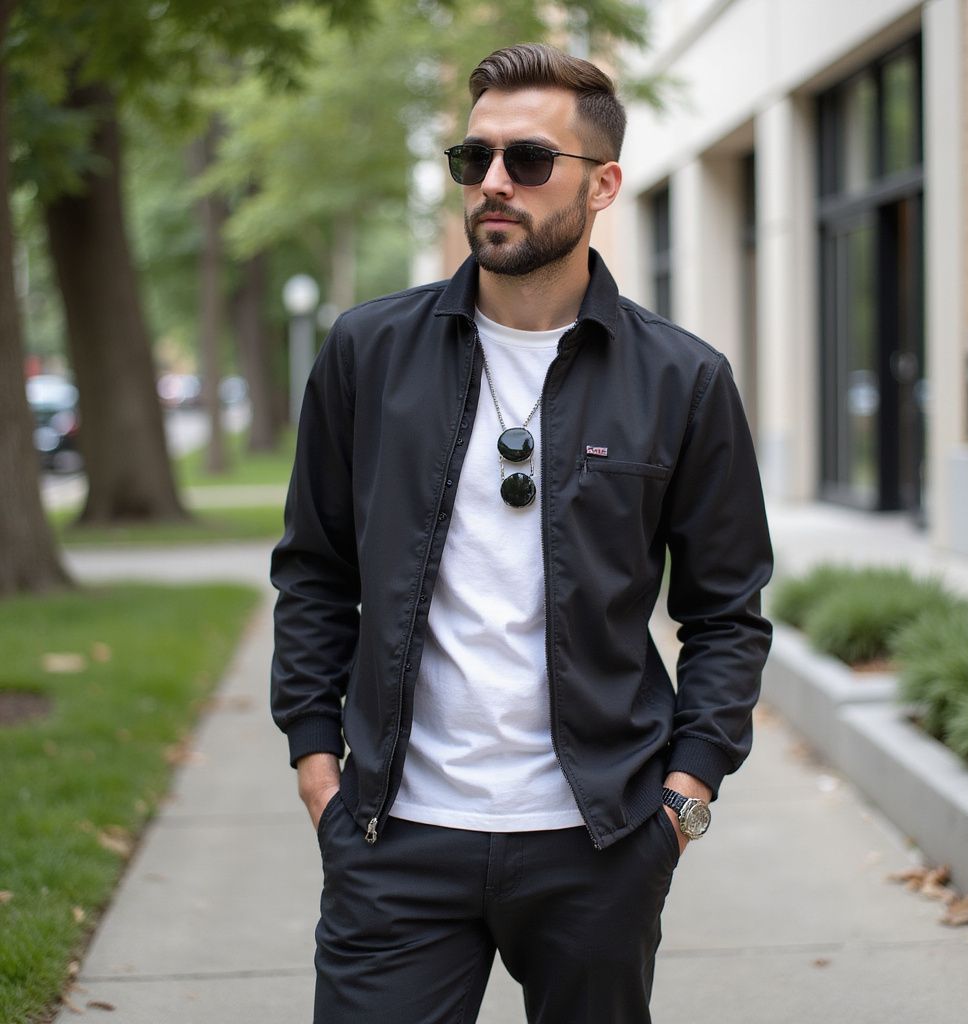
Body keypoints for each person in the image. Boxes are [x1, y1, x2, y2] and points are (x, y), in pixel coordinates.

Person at [271, 42, 773, 1024]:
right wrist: (315, 765)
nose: (493, 183)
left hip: (601, 842)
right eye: (475, 159)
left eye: (529, 161)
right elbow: (316, 571)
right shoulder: (367, 353)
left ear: (603, 185)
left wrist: (681, 802)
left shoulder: (682, 379)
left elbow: (726, 611)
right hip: (392, 836)